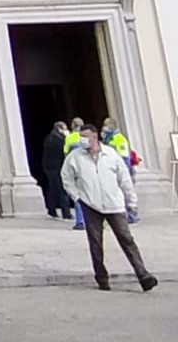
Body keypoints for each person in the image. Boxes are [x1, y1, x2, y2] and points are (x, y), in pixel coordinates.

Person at [62, 124, 158, 292]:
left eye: (86, 136)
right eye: (81, 137)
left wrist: (132, 201)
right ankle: (102, 278)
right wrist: (77, 197)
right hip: (91, 204)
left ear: (95, 136)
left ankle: (143, 275)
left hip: (114, 204)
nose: (83, 140)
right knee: (96, 243)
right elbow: (66, 178)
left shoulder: (111, 154)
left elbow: (124, 179)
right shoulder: (75, 157)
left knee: (127, 240)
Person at [39, 120, 72, 220]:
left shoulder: (49, 137)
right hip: (57, 167)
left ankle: (51, 209)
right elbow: (62, 152)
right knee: (62, 190)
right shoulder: (59, 139)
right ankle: (66, 212)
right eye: (64, 128)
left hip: (49, 167)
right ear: (59, 129)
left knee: (53, 189)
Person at [64, 118, 88, 231]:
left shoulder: (70, 137)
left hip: (75, 170)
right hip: (88, 169)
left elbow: (65, 154)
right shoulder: (87, 137)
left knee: (78, 195)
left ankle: (80, 221)